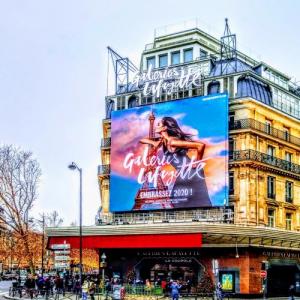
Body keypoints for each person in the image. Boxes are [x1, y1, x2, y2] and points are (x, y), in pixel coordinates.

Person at [140, 116, 211, 209]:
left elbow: (200, 145)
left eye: (158, 124)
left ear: (165, 128)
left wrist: (197, 162)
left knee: (178, 200)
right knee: (181, 201)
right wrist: (154, 143)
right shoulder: (163, 140)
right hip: (183, 172)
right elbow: (142, 140)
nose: (156, 126)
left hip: (190, 172)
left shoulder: (172, 141)